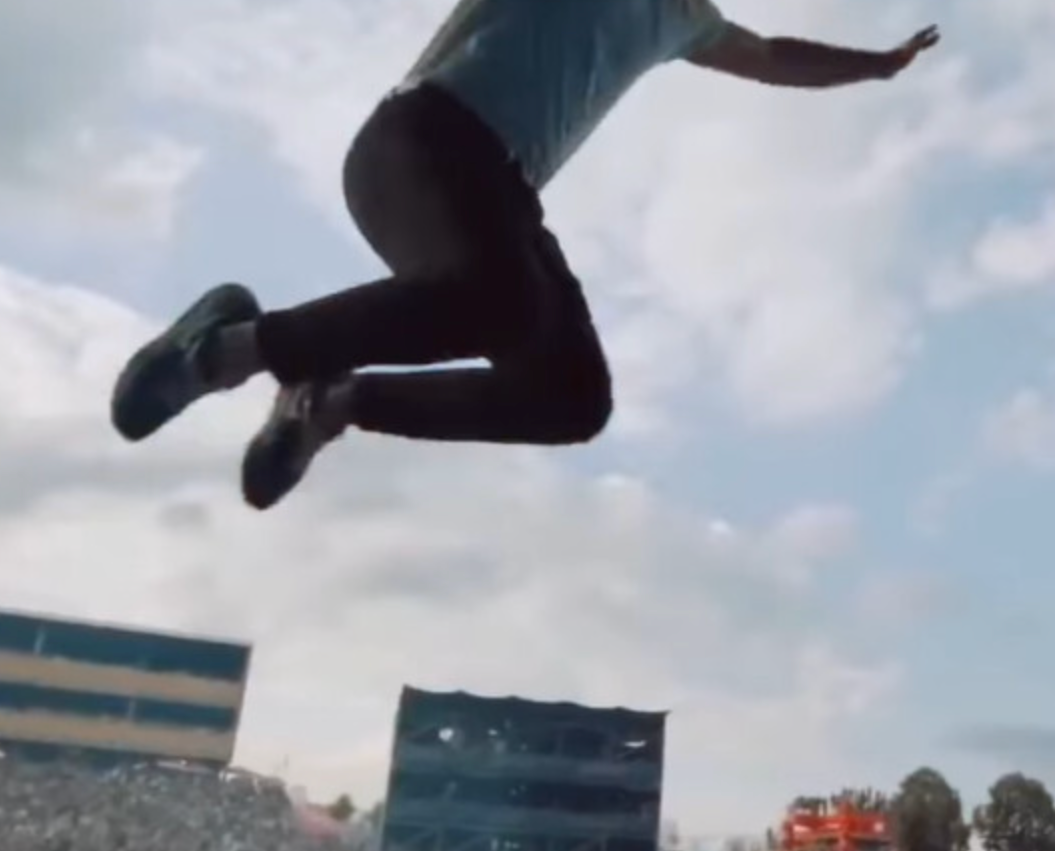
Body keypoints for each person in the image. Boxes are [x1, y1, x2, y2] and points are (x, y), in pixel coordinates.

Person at [109, 0, 941, 511]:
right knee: (500, 300)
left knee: (572, 398)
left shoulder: (689, 18)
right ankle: (221, 348)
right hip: (418, 142)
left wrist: (879, 66)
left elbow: (773, 59)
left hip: (503, 201)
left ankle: (329, 404)